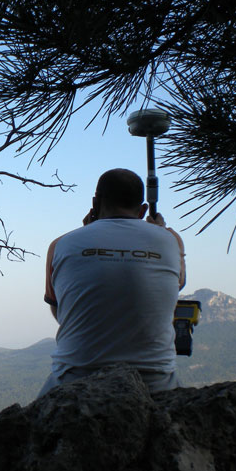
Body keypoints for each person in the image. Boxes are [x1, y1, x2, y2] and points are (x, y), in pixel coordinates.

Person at [40, 168, 186, 396]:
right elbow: (176, 284)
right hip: (155, 382)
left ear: (95, 203)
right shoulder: (172, 241)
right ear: (143, 209)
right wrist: (161, 233)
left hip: (75, 380)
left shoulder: (61, 245)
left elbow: (61, 312)